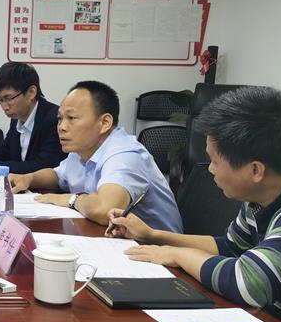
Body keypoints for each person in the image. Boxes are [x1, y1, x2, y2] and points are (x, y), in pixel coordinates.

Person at [110, 86, 281, 322]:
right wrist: (153, 235)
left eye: (215, 161)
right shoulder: (264, 192)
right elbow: (232, 247)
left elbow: (249, 283)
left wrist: (178, 255)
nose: (210, 169)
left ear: (255, 170)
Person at [10, 80, 182, 232]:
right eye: (60, 119)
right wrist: (28, 178)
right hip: (114, 239)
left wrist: (72, 199)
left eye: (71, 118)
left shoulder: (126, 155)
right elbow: (58, 175)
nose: (61, 127)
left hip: (160, 251)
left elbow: (105, 210)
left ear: (104, 123)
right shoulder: (82, 149)